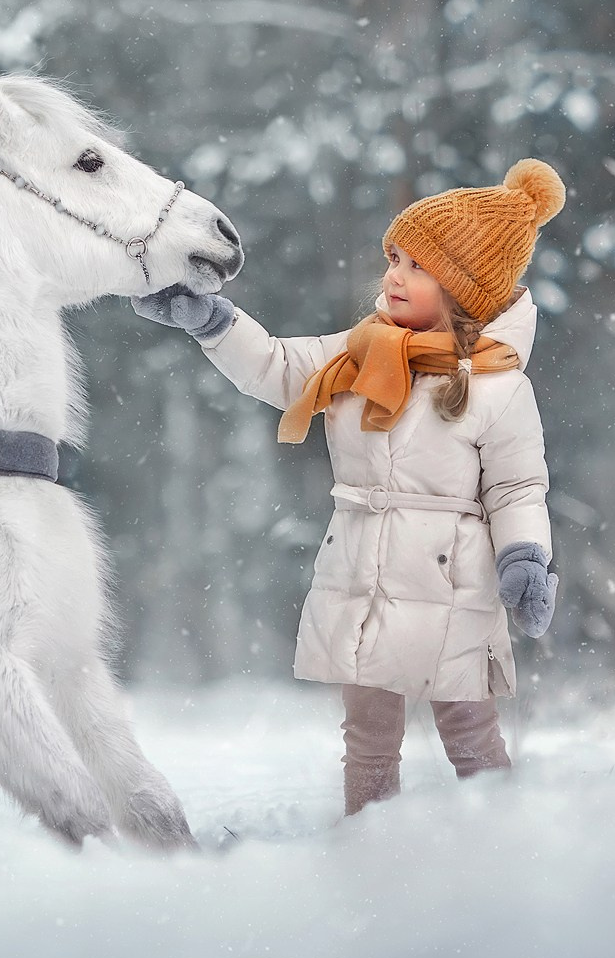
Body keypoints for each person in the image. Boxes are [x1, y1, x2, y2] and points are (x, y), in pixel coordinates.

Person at [133, 159, 565, 816]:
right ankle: (372, 851)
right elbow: (279, 367)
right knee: (368, 739)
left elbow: (516, 489)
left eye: (415, 265)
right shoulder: (361, 353)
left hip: (456, 586)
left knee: (470, 734)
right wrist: (214, 322)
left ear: (460, 288)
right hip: (367, 576)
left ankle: (504, 841)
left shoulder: (500, 387)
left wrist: (524, 556)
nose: (392, 273)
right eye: (393, 257)